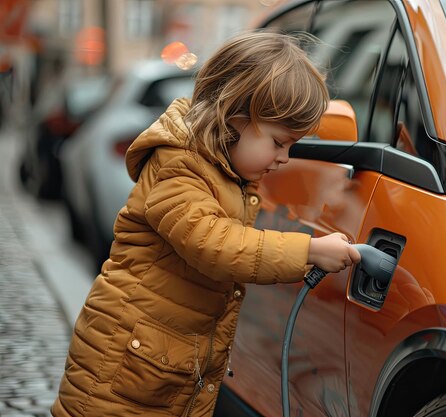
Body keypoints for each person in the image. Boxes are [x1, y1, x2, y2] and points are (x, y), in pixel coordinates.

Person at [51, 31, 361, 417]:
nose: (285, 157)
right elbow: (216, 246)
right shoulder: (178, 166)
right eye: (279, 142)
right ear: (233, 118)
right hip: (122, 377)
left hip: (161, 371)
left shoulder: (227, 174)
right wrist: (310, 250)